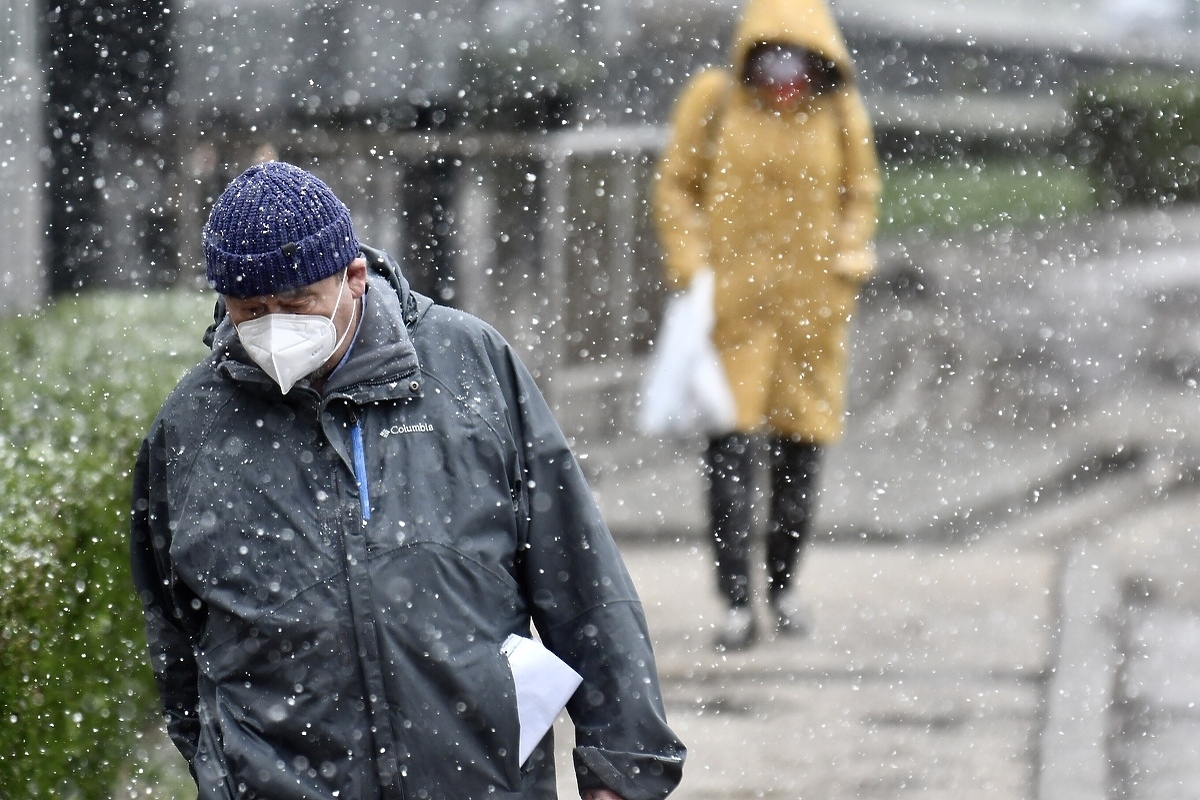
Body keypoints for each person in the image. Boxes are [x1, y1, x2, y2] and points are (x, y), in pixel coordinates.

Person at [130, 161, 685, 800]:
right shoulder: (193, 426)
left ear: (354, 278)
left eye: (296, 303)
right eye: (251, 310)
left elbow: (578, 573)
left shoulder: (468, 368)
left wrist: (623, 762)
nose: (275, 328)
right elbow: (174, 628)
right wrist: (219, 769)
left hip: (480, 774)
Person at [652, 0, 881, 651]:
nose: (784, 69)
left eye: (797, 54)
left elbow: (860, 192)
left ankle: (782, 584)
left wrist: (846, 260)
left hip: (812, 316)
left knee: (801, 456)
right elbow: (676, 184)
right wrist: (693, 268)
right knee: (728, 453)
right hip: (732, 316)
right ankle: (734, 599)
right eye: (772, 52)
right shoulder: (715, 101)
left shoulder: (838, 112)